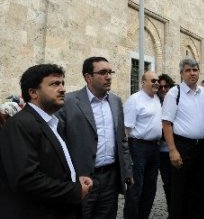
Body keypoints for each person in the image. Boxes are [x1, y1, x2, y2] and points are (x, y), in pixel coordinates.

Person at [0, 64, 93, 219]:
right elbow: (26, 180)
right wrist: (75, 190)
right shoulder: (20, 124)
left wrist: (74, 180)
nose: (63, 89)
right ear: (33, 92)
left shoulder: (53, 123)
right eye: (55, 84)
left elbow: (52, 165)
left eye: (63, 83)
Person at [57, 57, 133, 219]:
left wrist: (126, 170)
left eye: (110, 72)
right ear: (87, 77)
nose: (109, 76)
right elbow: (58, 144)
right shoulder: (69, 102)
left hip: (110, 178)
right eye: (103, 72)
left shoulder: (115, 101)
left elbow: (122, 140)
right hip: (82, 178)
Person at [162, 58, 204, 219]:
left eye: (195, 70)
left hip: (203, 148)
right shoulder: (174, 93)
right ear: (181, 74)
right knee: (180, 191)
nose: (192, 73)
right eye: (188, 70)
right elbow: (166, 123)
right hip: (183, 147)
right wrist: (172, 150)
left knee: (200, 190)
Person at [123, 70, 162, 219]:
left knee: (150, 188)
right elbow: (127, 128)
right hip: (138, 148)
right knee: (135, 189)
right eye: (152, 80)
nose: (156, 83)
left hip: (154, 148)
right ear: (143, 82)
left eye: (157, 80)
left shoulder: (157, 99)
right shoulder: (135, 99)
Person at [157, 73, 176, 216]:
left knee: (178, 181)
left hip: (176, 148)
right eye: (160, 86)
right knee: (167, 182)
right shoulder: (155, 102)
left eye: (166, 86)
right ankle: (172, 211)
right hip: (161, 151)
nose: (163, 89)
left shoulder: (177, 100)